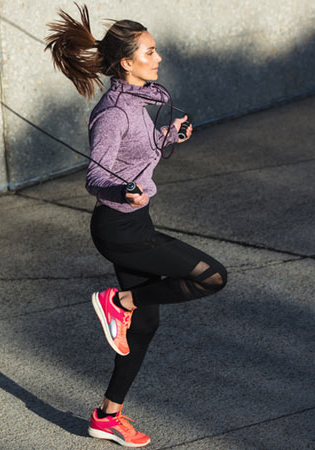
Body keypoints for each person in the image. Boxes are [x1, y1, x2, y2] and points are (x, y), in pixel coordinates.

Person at [46, 5, 228, 447]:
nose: (159, 57)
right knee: (212, 276)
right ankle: (118, 301)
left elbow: (135, 152)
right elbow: (97, 175)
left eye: (156, 49)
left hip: (133, 223)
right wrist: (121, 191)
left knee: (145, 329)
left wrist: (168, 137)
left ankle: (108, 417)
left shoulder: (138, 102)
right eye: (150, 51)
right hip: (121, 230)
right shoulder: (113, 113)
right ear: (127, 62)